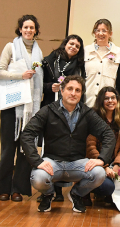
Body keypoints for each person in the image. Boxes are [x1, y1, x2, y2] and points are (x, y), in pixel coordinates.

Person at [20, 75, 116, 213]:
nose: (73, 93)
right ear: (62, 91)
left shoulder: (87, 113)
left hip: (77, 163)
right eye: (70, 89)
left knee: (99, 174)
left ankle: (76, 194)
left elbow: (108, 134)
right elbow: (27, 134)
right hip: (52, 163)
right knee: (38, 178)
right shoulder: (48, 110)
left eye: (77, 90)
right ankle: (48, 194)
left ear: (81, 94)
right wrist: (37, 161)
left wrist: (102, 159)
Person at [0, 15, 43, 202]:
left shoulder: (39, 52)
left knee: (25, 150)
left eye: (32, 27)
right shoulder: (10, 47)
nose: (29, 30)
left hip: (31, 109)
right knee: (8, 149)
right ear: (20, 29)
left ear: (36, 30)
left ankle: (18, 189)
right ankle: (3, 189)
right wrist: (20, 75)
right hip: (12, 107)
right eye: (26, 27)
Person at [37, 34, 85, 202]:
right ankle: (48, 189)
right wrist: (52, 87)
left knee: (64, 146)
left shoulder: (79, 65)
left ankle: (60, 191)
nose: (74, 47)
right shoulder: (50, 60)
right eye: (71, 43)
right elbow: (39, 84)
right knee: (49, 147)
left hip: (71, 110)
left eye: (77, 46)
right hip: (51, 107)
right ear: (65, 44)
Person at [85, 87, 120, 206]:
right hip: (97, 163)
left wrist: (117, 165)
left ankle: (111, 195)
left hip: (115, 162)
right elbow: (90, 147)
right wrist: (105, 167)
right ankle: (99, 191)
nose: (110, 101)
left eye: (113, 98)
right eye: (106, 98)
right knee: (107, 187)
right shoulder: (94, 118)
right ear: (101, 101)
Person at [84, 19, 120, 107]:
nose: (100, 33)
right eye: (97, 30)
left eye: (104, 31)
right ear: (94, 33)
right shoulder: (86, 51)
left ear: (110, 34)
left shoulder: (118, 53)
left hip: (108, 104)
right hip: (88, 102)